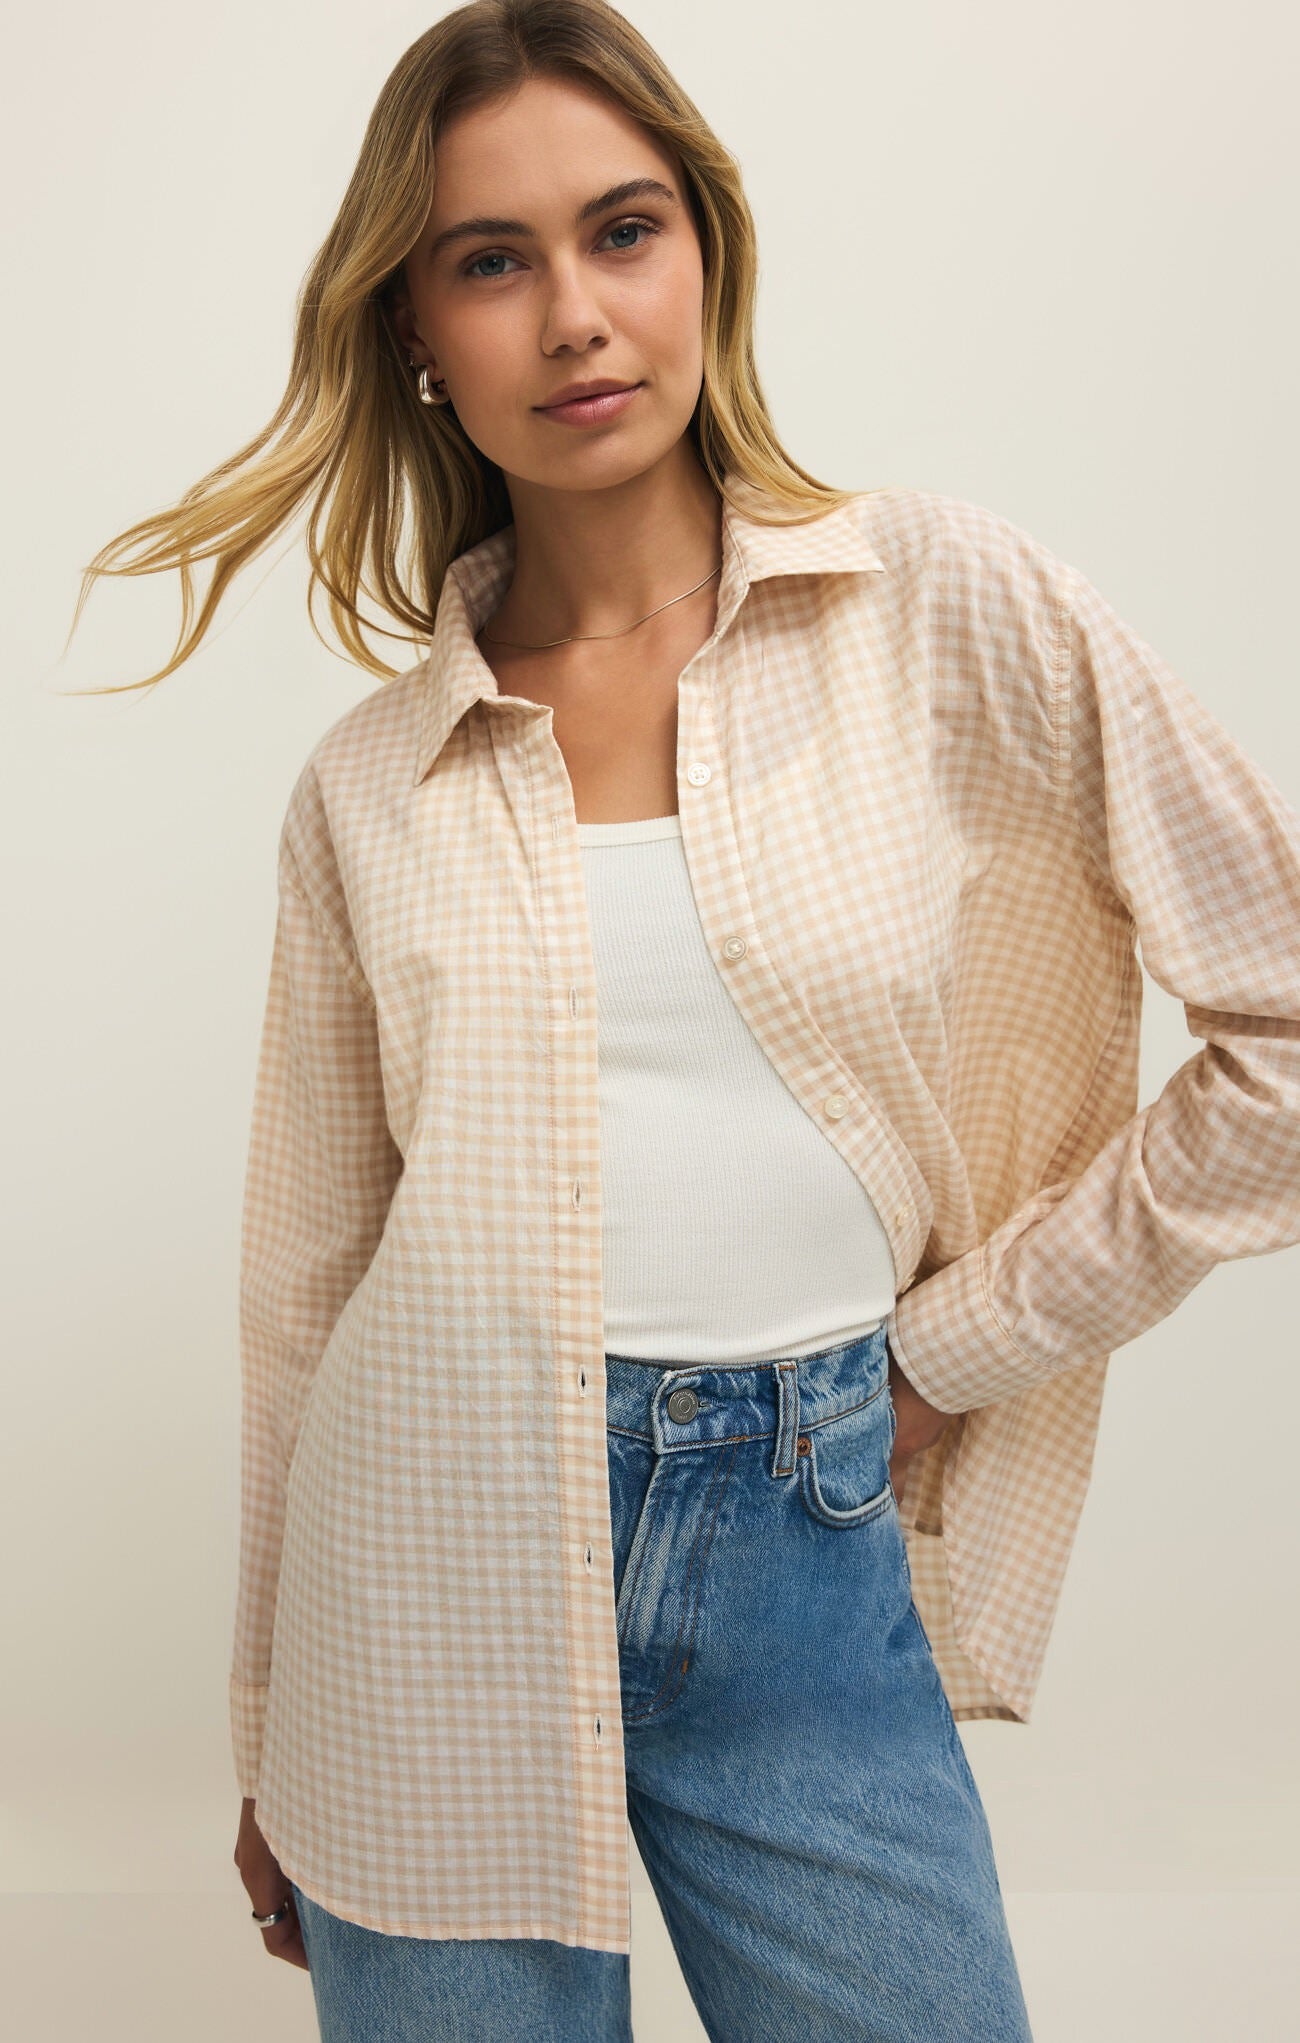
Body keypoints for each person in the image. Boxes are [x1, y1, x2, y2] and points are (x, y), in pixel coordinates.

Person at [74, 4, 1300, 2039]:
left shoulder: (940, 605)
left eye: (621, 229)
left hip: (805, 1535)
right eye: (491, 260)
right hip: (424, 1573)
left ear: (706, 253)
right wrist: (269, 1724)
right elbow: (303, 1287)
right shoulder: (370, 781)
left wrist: (957, 1345)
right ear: (415, 330)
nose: (574, 313)